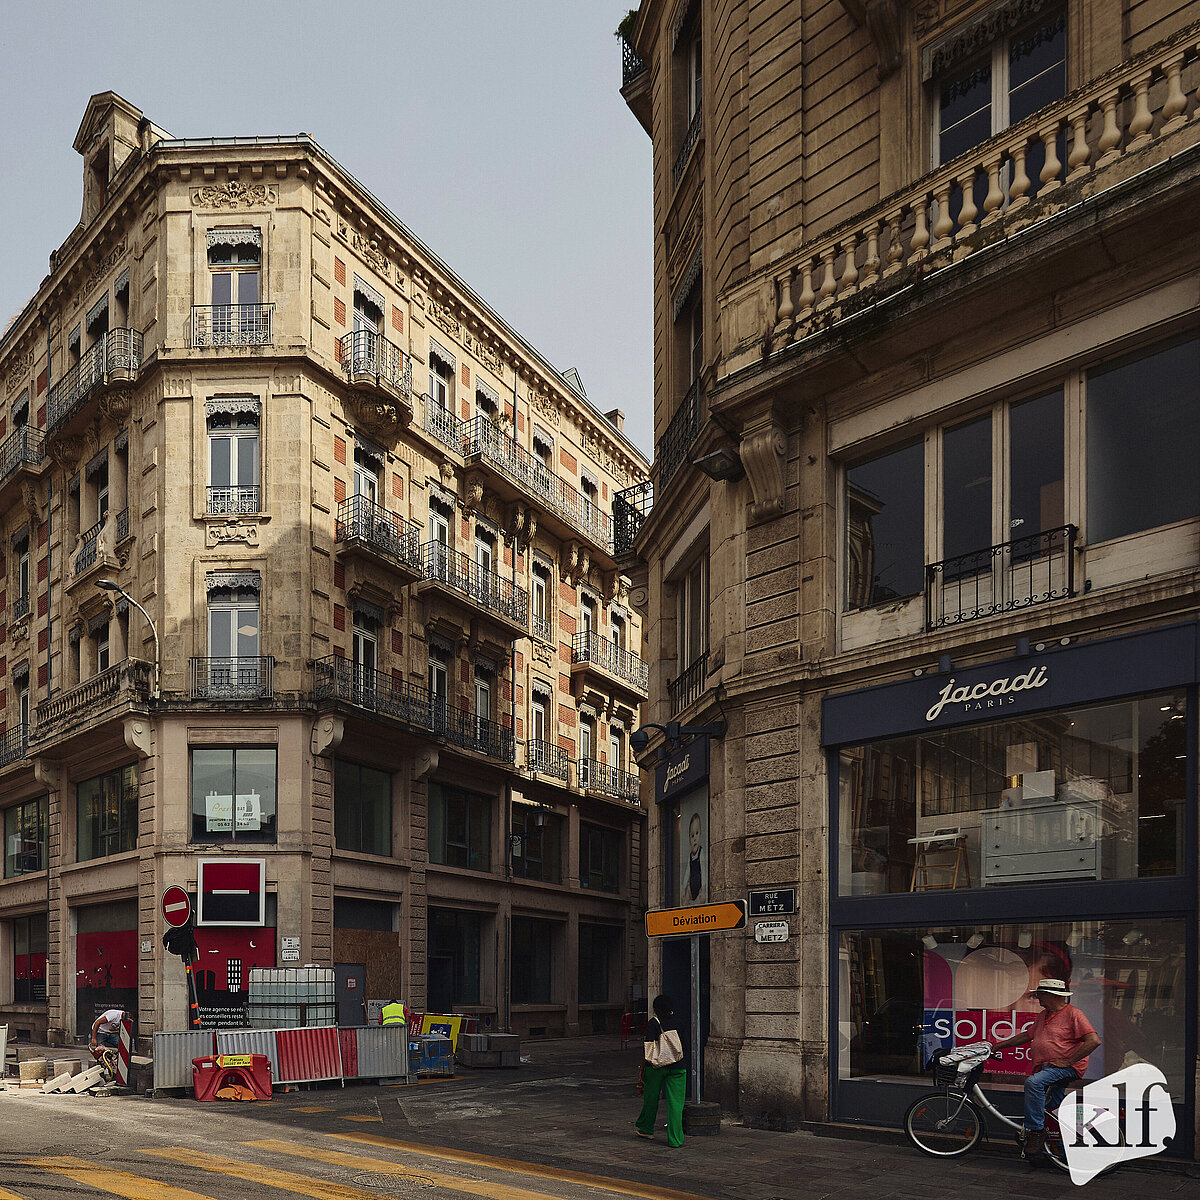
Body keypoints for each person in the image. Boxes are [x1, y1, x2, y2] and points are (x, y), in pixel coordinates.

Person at [992, 978, 1101, 1157]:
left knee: (1034, 1083)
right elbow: (1027, 1035)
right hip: (1049, 1067)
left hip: (1066, 1068)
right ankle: (1055, 1151)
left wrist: (1068, 1061)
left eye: (1040, 995)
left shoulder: (1074, 1014)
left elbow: (1094, 1041)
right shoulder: (1044, 1015)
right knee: (1052, 1109)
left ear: (1053, 995)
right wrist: (998, 1046)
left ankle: (1036, 1131)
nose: (1038, 999)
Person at [635, 994, 686, 1147]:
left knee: (651, 1098)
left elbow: (648, 1049)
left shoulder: (653, 1023)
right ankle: (676, 1140)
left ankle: (646, 1128)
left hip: (655, 1067)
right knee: (676, 1104)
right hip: (677, 1066)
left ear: (656, 1009)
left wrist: (642, 1068)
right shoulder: (679, 1022)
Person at [679, 812, 706, 905]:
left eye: (697, 833)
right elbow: (687, 872)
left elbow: (703, 871)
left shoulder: (701, 852)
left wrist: (704, 887)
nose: (695, 838)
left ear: (700, 834)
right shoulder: (690, 856)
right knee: (687, 897)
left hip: (699, 887)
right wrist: (683, 888)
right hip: (692, 887)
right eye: (692, 835)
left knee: (700, 900)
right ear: (689, 839)